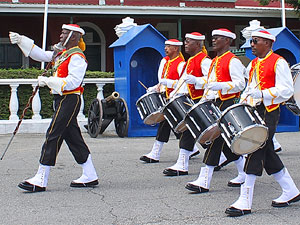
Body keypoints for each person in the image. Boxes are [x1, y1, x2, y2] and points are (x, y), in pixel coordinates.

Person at [9, 24, 98, 192]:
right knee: (74, 139)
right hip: (62, 99)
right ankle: (90, 174)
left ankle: (41, 178)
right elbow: (41, 55)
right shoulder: (62, 55)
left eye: (64, 33)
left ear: (73, 36)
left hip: (70, 99)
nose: (60, 36)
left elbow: (73, 82)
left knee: (53, 134)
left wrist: (48, 81)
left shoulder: (77, 57)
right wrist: (22, 41)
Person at [225, 29, 300, 217]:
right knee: (266, 151)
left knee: (254, 148)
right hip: (255, 109)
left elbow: (286, 89)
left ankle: (245, 200)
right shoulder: (253, 64)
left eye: (255, 41)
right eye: (251, 41)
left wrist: (263, 94)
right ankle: (290, 190)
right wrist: (245, 98)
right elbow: (250, 86)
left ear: (267, 42)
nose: (252, 45)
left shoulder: (279, 62)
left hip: (269, 111)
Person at [185, 28, 246, 192]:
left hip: (228, 103)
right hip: (216, 102)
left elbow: (240, 84)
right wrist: (206, 95)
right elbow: (210, 83)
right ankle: (244, 172)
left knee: (215, 139)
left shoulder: (233, 61)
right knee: (225, 143)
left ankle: (204, 180)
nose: (213, 41)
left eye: (217, 38)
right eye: (213, 38)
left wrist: (221, 86)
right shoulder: (214, 61)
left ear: (227, 41)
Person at [139, 39, 200, 163]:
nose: (165, 48)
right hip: (167, 97)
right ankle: (192, 148)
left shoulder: (181, 63)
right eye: (165, 46)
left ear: (176, 48)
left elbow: (183, 83)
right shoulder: (166, 62)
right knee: (174, 125)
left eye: (168, 46)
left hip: (176, 99)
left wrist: (169, 83)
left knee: (171, 124)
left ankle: (156, 153)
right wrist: (155, 88)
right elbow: (162, 81)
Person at [162, 32, 212, 176]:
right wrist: (175, 93)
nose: (185, 44)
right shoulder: (190, 61)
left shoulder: (204, 60)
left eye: (188, 41)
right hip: (190, 101)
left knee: (207, 135)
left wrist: (197, 81)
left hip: (202, 100)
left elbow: (211, 80)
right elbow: (184, 82)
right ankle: (182, 164)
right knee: (188, 131)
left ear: (197, 44)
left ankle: (228, 157)